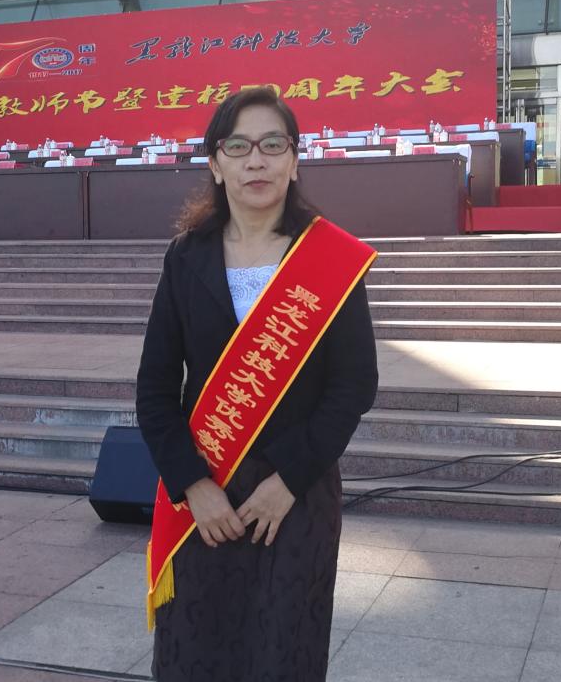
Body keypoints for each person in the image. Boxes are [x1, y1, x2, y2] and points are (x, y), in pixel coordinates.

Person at [136, 87, 379, 682]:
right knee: (195, 652)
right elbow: (155, 389)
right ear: (216, 164)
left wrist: (288, 479)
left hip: (295, 501)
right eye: (238, 146)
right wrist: (193, 485)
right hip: (204, 497)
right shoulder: (186, 257)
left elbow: (354, 385)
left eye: (273, 145)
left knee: (283, 654)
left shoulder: (328, 259)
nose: (257, 161)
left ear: (294, 160)